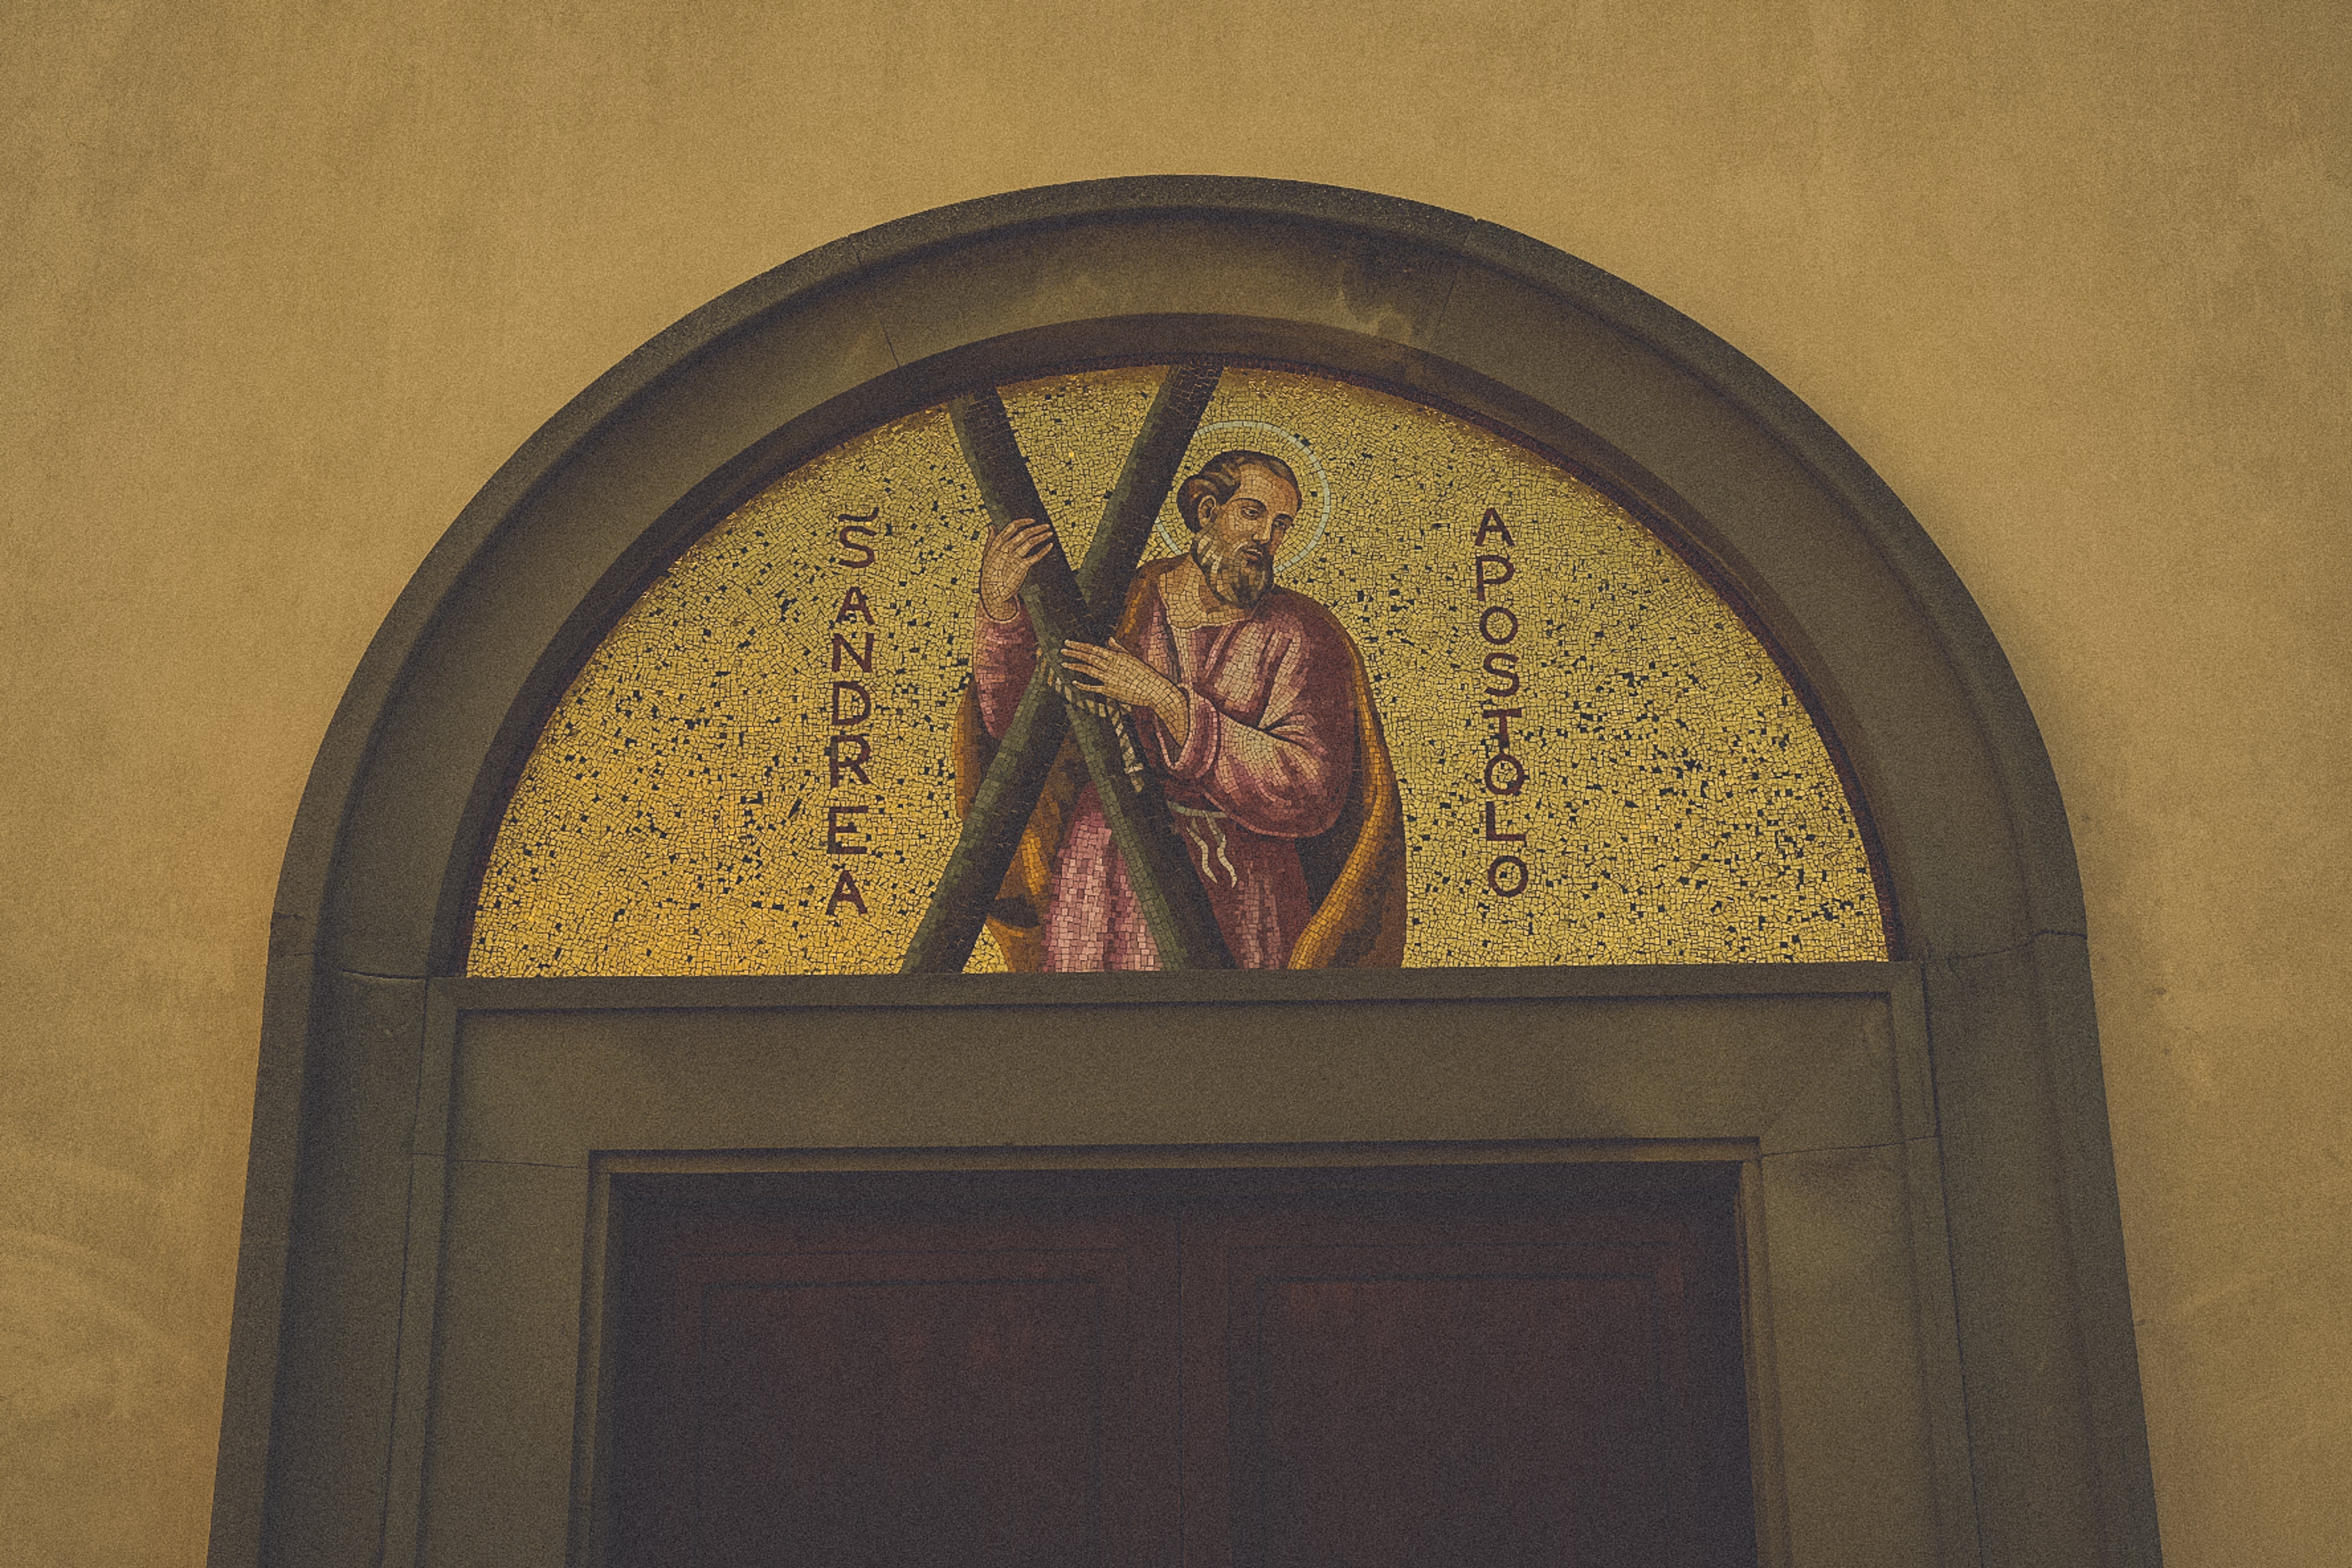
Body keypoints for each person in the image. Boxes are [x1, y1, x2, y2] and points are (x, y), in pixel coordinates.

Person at [961, 449, 1405, 970]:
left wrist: (1166, 701)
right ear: (1206, 510)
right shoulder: (1116, 602)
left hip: (1245, 888)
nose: (1266, 537)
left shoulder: (1300, 634)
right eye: (1252, 512)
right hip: (1101, 873)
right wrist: (1000, 608)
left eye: (1281, 524)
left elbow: (1310, 789)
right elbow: (1019, 724)